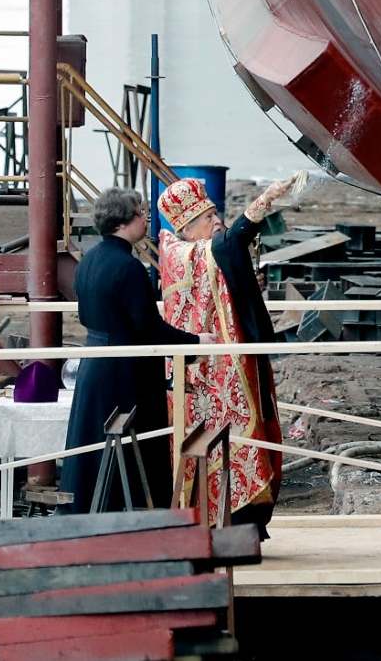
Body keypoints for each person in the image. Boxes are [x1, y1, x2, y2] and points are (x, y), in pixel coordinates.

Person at [155, 172, 304, 528]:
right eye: (208, 218)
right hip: (203, 375)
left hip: (223, 364)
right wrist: (263, 200)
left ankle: (246, 522)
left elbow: (227, 254)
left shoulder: (199, 250)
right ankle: (222, 522)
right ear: (188, 228)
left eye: (214, 213)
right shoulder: (183, 253)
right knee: (220, 444)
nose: (216, 220)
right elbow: (228, 246)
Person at [64, 188, 195, 511]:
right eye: (141, 212)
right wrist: (194, 343)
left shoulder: (88, 260)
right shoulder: (129, 267)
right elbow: (149, 327)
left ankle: (87, 509)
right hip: (127, 369)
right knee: (135, 448)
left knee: (91, 445)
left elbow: (84, 315)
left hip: (94, 360)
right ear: (124, 221)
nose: (146, 217)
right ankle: (136, 515)